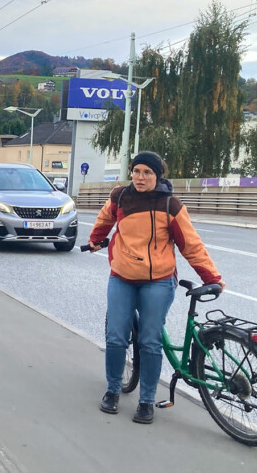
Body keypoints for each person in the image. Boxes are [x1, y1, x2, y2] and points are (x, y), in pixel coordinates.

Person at [87, 151, 224, 424]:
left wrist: (211, 276)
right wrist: (96, 239)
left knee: (149, 341)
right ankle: (113, 391)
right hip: (122, 277)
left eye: (147, 173)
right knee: (116, 337)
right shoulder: (120, 196)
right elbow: (104, 220)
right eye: (137, 171)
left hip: (158, 281)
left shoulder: (170, 205)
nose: (140, 177)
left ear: (157, 176)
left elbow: (190, 244)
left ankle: (147, 401)